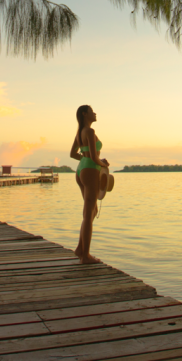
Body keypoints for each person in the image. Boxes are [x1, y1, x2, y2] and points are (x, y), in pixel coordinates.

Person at [69, 104, 109, 264]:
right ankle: (85, 256)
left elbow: (73, 154)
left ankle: (80, 248)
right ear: (85, 114)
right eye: (92, 111)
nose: (95, 113)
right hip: (90, 170)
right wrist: (103, 163)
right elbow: (94, 157)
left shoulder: (79, 133)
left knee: (92, 211)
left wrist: (84, 160)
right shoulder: (90, 132)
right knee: (88, 212)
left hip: (81, 170)